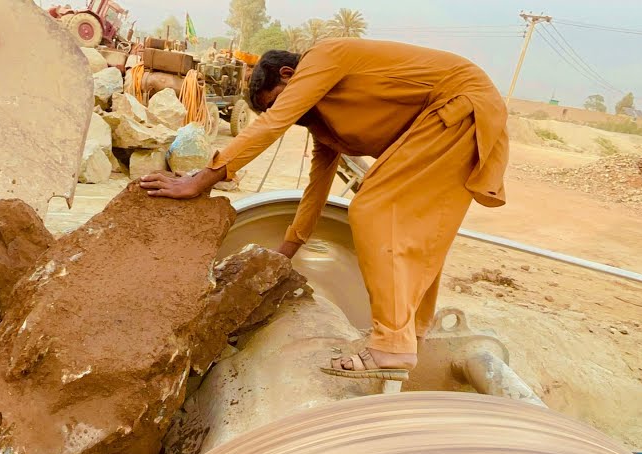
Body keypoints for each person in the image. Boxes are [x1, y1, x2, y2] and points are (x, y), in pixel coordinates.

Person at [139, 38, 509, 382]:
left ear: (289, 75)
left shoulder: (324, 57)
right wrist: (284, 253)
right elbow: (316, 189)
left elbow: (273, 123)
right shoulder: (327, 125)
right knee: (418, 230)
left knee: (374, 208)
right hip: (459, 113)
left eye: (278, 100)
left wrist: (200, 180)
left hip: (459, 105)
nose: (287, 111)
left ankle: (392, 347)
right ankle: (409, 334)